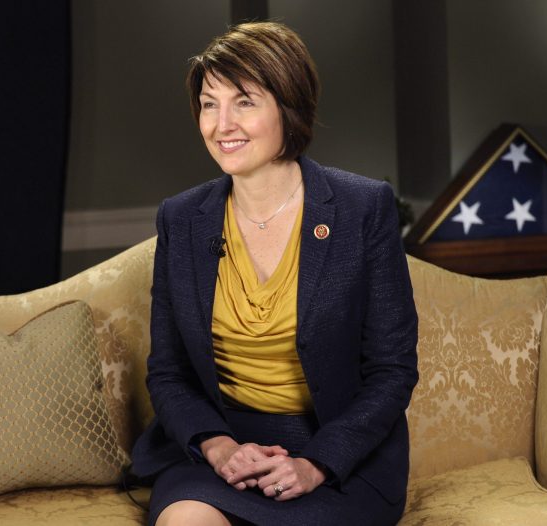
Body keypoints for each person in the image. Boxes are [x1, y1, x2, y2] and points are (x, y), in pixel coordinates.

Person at [130, 21, 418, 526]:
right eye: (208, 103)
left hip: (334, 454)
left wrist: (316, 464)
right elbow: (169, 373)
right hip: (221, 448)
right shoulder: (181, 218)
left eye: (244, 101)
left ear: (288, 106)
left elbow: (392, 371)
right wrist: (219, 448)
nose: (221, 125)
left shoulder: (361, 208)